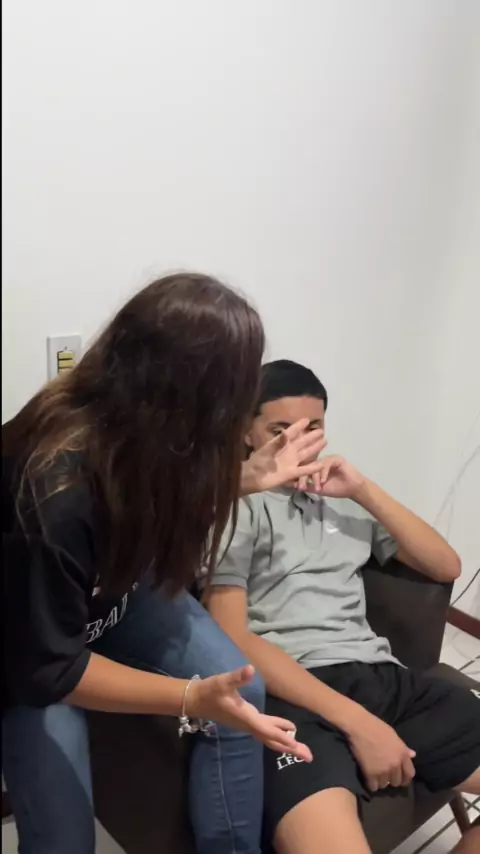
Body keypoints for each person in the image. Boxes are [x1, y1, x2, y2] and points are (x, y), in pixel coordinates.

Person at [2, 281, 336, 854]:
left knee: (241, 692)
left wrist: (244, 478)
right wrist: (188, 697)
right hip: (28, 654)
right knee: (63, 840)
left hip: (113, 597)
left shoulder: (149, 434)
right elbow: (52, 670)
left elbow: (157, 497)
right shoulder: (52, 494)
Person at [206, 359, 480, 854]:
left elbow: (446, 565)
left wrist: (363, 490)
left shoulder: (342, 499)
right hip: (292, 692)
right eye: (279, 430)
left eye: (312, 428)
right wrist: (358, 722)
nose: (297, 442)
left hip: (380, 676)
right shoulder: (236, 504)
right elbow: (233, 637)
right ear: (247, 432)